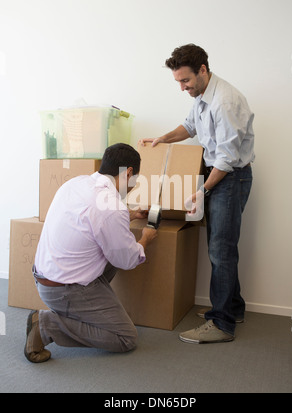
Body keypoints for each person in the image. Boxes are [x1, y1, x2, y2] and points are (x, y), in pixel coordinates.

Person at [140, 44, 255, 343]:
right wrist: (163, 138)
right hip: (217, 177)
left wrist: (201, 190)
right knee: (221, 247)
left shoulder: (225, 101)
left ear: (202, 70)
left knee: (221, 249)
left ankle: (222, 324)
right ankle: (233, 308)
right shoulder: (203, 95)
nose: (182, 87)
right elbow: (190, 126)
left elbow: (227, 160)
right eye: (178, 81)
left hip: (229, 178)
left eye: (185, 80)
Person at [24, 143, 157, 363]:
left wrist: (129, 214)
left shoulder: (75, 183)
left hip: (45, 279)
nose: (133, 186)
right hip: (63, 290)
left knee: (114, 243)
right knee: (126, 338)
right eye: (134, 181)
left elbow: (92, 219)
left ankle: (87, 307)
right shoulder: (111, 206)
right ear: (129, 173)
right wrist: (145, 240)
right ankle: (47, 325)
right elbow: (128, 259)